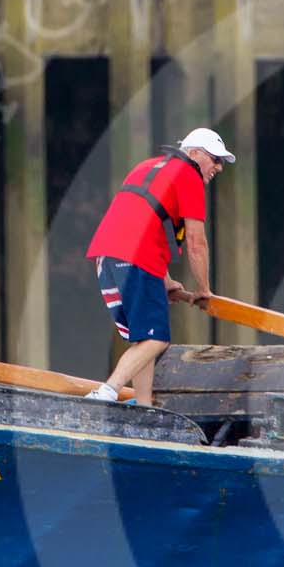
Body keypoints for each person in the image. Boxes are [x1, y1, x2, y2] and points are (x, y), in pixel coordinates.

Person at [82, 127, 230, 405]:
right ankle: (107, 392)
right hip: (138, 259)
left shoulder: (147, 167)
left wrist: (167, 281)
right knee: (156, 339)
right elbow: (197, 243)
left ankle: (144, 408)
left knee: (144, 339)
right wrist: (203, 289)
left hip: (106, 256)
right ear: (194, 153)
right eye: (215, 159)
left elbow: (143, 222)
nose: (218, 167)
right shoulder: (189, 176)